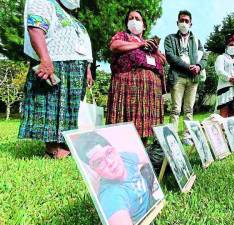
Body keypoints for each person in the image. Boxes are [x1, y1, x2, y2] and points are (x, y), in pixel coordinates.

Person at [19, 0, 93, 159]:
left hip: (75, 68)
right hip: (55, 63)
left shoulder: (71, 16)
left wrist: (87, 69)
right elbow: (35, 29)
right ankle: (53, 149)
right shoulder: (43, 2)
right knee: (53, 106)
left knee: (70, 109)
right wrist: (45, 59)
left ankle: (66, 145)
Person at [106, 10, 166, 146]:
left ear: (144, 26)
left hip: (149, 90)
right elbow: (114, 46)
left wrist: (155, 50)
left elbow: (163, 61)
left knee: (144, 121)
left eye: (137, 19)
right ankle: (124, 147)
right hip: (128, 85)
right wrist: (139, 44)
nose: (133, 21)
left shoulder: (149, 43)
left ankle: (142, 146)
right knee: (128, 119)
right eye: (130, 18)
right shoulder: (123, 36)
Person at [74, 132, 158, 225]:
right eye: (99, 162)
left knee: (148, 167)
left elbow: (145, 158)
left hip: (147, 191)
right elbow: (116, 213)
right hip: (147, 215)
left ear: (114, 150)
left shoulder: (123, 156)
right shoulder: (111, 196)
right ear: (94, 170)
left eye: (109, 152)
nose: (110, 162)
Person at [164, 10, 208, 144]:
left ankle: (187, 137)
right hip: (177, 77)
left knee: (189, 110)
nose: (184, 23)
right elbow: (171, 57)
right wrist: (188, 66)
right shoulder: (170, 38)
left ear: (191, 24)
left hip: (193, 79)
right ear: (177, 23)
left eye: (186, 21)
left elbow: (204, 57)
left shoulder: (197, 41)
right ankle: (172, 137)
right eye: (181, 20)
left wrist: (199, 66)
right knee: (176, 109)